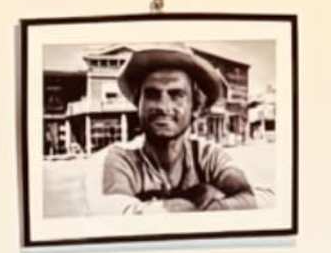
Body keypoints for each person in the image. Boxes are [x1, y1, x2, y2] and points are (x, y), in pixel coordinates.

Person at [97, 51, 253, 211]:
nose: (163, 107)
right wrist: (198, 198)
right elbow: (119, 217)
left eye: (177, 95)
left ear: (195, 106)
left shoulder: (208, 156)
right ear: (139, 104)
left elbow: (249, 199)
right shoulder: (120, 159)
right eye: (152, 94)